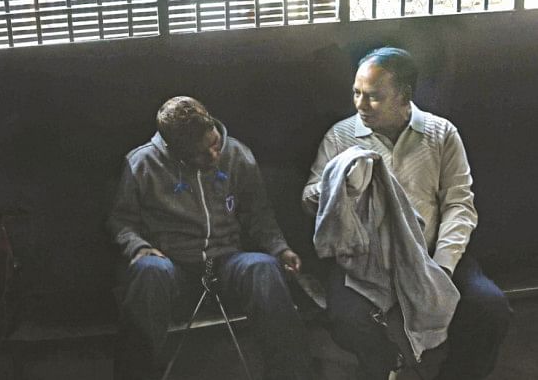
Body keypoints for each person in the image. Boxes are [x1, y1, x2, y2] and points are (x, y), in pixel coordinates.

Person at [302, 47, 511, 379]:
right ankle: (387, 367)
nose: (360, 104)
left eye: (373, 97)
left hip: (429, 254)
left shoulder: (441, 134)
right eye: (356, 92)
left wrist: (442, 266)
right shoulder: (341, 136)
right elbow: (309, 199)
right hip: (366, 262)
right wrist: (340, 182)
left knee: (490, 308)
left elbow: (459, 205)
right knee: (347, 321)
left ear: (404, 96)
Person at [108, 96, 311, 380]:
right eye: (202, 155)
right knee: (148, 271)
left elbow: (259, 214)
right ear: (175, 151)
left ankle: (290, 375)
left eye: (215, 144)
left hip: (227, 262)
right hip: (173, 267)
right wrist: (138, 247)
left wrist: (280, 248)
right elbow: (121, 221)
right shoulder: (141, 163)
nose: (215, 155)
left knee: (262, 267)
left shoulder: (237, 154)